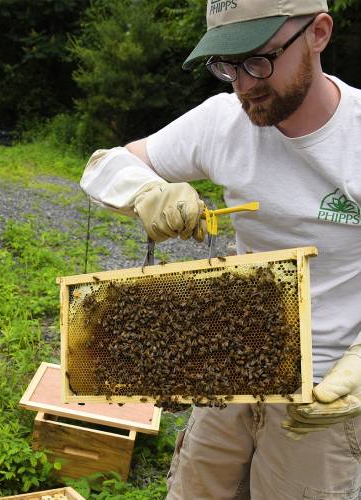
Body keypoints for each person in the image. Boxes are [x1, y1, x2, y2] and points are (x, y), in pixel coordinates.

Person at [80, 0, 361, 498]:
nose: (243, 84)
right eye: (226, 66)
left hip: (326, 393)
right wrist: (147, 193)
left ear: (318, 34)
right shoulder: (222, 121)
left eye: (258, 60)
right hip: (232, 361)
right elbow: (104, 166)